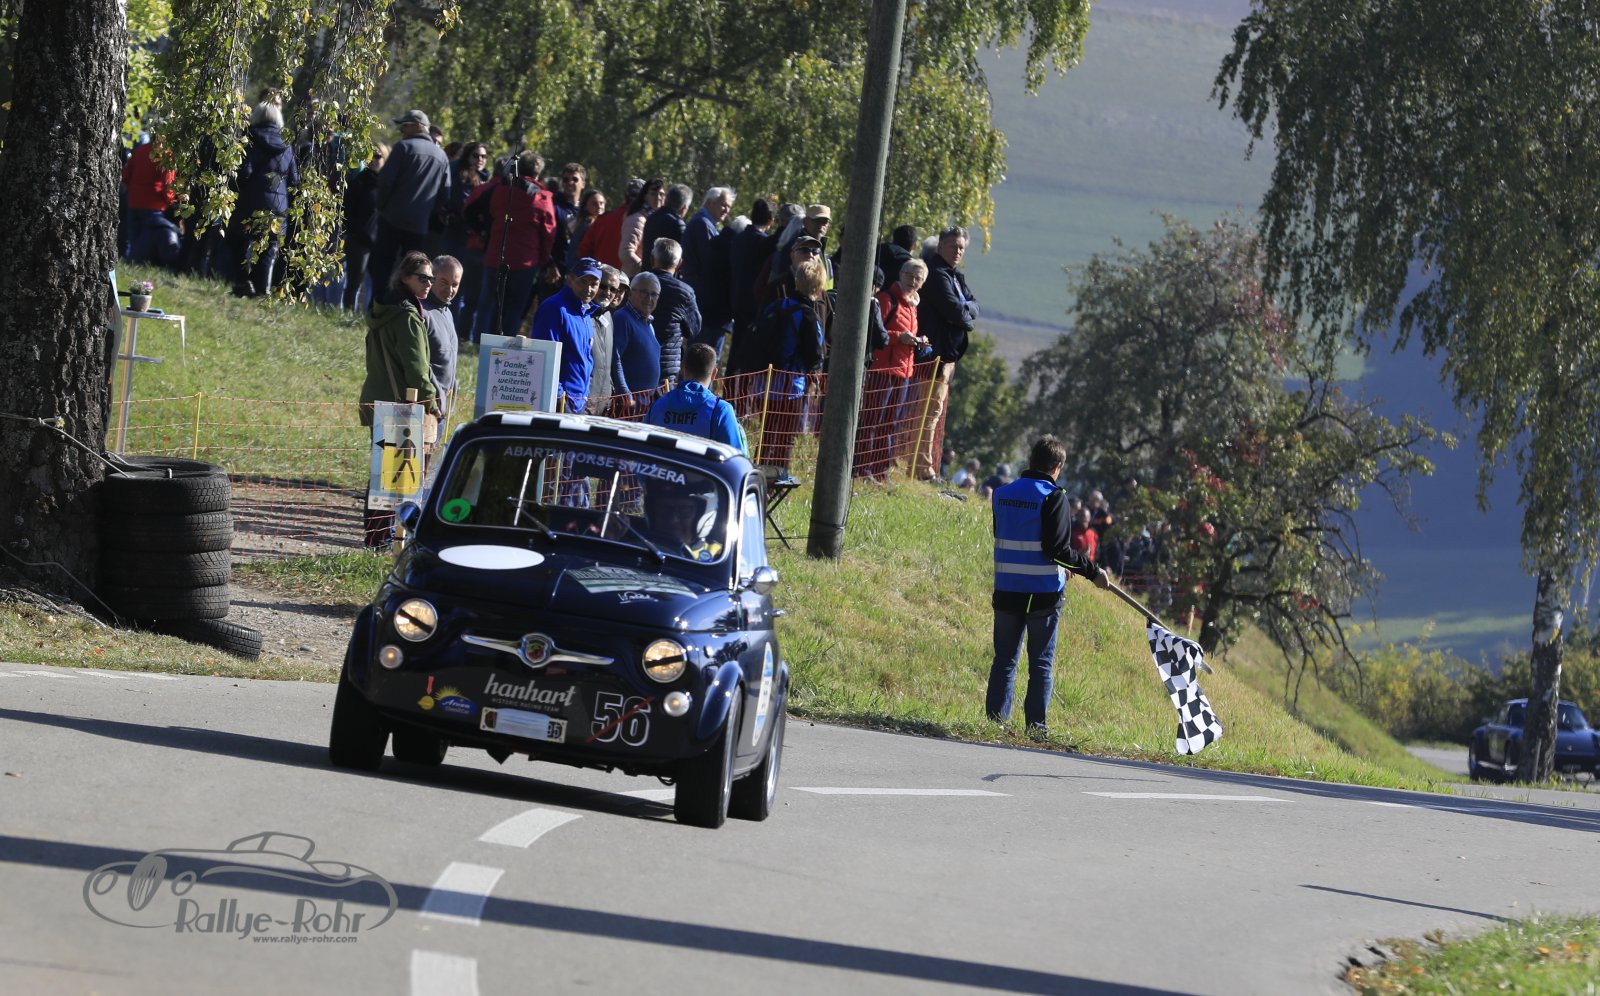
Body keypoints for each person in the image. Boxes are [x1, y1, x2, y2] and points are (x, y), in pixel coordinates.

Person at [988, 435, 1109, 736]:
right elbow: (1057, 550)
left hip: (1007, 589)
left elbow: (1008, 535)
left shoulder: (1002, 494)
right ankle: (1036, 728)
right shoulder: (1053, 497)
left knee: (1004, 661)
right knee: (1040, 664)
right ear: (1057, 466)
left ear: (1031, 460)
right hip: (1042, 594)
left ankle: (994, 724)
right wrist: (1093, 572)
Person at [360, 251, 440, 546]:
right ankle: (380, 540)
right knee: (393, 475)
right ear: (405, 278)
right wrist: (432, 403)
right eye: (423, 278)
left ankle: (376, 538)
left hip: (377, 396)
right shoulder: (407, 316)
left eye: (431, 278)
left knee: (383, 472)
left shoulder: (381, 309)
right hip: (399, 403)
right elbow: (417, 369)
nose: (429, 284)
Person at [463, 150, 558, 338]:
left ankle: (480, 343)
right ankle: (505, 344)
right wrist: (544, 259)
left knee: (489, 303)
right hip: (525, 260)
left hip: (496, 254)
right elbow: (548, 231)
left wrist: (484, 231)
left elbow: (479, 210)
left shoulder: (501, 189)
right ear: (538, 172)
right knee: (514, 307)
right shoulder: (542, 197)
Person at [916, 225, 979, 479]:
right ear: (941, 245)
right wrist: (965, 315)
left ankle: (925, 465)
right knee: (927, 412)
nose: (958, 251)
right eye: (953, 246)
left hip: (947, 357)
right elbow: (955, 310)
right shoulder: (937, 274)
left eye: (961, 248)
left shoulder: (955, 276)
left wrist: (965, 313)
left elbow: (973, 305)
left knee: (935, 411)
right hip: (934, 356)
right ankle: (921, 467)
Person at [371, 110, 451, 306]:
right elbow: (445, 195)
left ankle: (377, 309)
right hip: (418, 226)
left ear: (417, 126)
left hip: (391, 220)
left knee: (382, 268)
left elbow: (385, 181)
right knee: (412, 274)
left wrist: (381, 206)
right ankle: (402, 310)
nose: (401, 130)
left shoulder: (403, 147)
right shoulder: (441, 156)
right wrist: (426, 213)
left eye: (405, 126)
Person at [857, 259, 927, 480]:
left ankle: (880, 471)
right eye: (909, 275)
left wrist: (919, 341)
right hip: (882, 370)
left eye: (918, 278)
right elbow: (875, 332)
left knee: (891, 425)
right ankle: (861, 468)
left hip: (904, 372)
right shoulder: (887, 299)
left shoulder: (913, 306)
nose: (913, 281)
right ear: (901, 274)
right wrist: (900, 338)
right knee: (872, 420)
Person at [229, 99, 299, 297]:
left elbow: (245, 172)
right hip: (278, 205)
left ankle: (244, 282)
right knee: (270, 246)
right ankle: (263, 289)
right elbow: (294, 179)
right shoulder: (287, 144)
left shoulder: (250, 138)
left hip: (251, 201)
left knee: (238, 239)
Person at [530, 257, 603, 413]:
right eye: (583, 281)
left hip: (578, 402)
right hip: (559, 404)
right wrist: (558, 397)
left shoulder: (586, 313)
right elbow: (543, 356)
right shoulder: (554, 308)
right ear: (569, 279)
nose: (589, 288)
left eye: (594, 284)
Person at [647, 342, 748, 453]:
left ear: (682, 368)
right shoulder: (720, 410)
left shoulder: (657, 406)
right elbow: (736, 456)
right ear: (714, 374)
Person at [646, 237, 701, 387]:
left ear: (652, 259)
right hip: (665, 369)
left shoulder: (635, 283)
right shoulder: (685, 292)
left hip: (632, 363)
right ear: (680, 263)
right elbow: (694, 329)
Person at [341, 143, 388, 312]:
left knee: (378, 283)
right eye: (370, 156)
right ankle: (347, 314)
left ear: (385, 158)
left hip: (381, 241)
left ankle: (371, 316)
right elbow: (347, 211)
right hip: (359, 241)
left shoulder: (388, 185)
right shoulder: (358, 182)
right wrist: (354, 232)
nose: (374, 160)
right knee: (354, 282)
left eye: (378, 156)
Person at [610, 271, 664, 415]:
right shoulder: (623, 318)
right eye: (644, 292)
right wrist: (625, 394)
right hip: (629, 404)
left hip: (646, 404)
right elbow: (615, 359)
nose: (649, 298)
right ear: (631, 293)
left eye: (654, 294)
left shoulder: (648, 323)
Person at [423, 255, 463, 421]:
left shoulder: (448, 313)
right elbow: (419, 364)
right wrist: (435, 397)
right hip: (422, 406)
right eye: (444, 282)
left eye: (455, 284)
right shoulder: (421, 312)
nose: (450, 289)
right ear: (432, 278)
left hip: (440, 410)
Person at [646, 483, 724, 562]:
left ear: (702, 516)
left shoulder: (718, 555)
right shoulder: (641, 546)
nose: (673, 520)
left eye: (684, 510)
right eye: (664, 509)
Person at [586, 265, 626, 415]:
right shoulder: (582, 315)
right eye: (603, 286)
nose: (608, 293)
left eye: (613, 289)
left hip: (603, 405)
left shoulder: (608, 316)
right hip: (582, 402)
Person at [619, 177, 667, 276]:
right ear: (645, 196)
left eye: (661, 194)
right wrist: (645, 271)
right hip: (635, 279)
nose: (658, 197)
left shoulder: (657, 218)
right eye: (653, 194)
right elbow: (626, 253)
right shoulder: (637, 219)